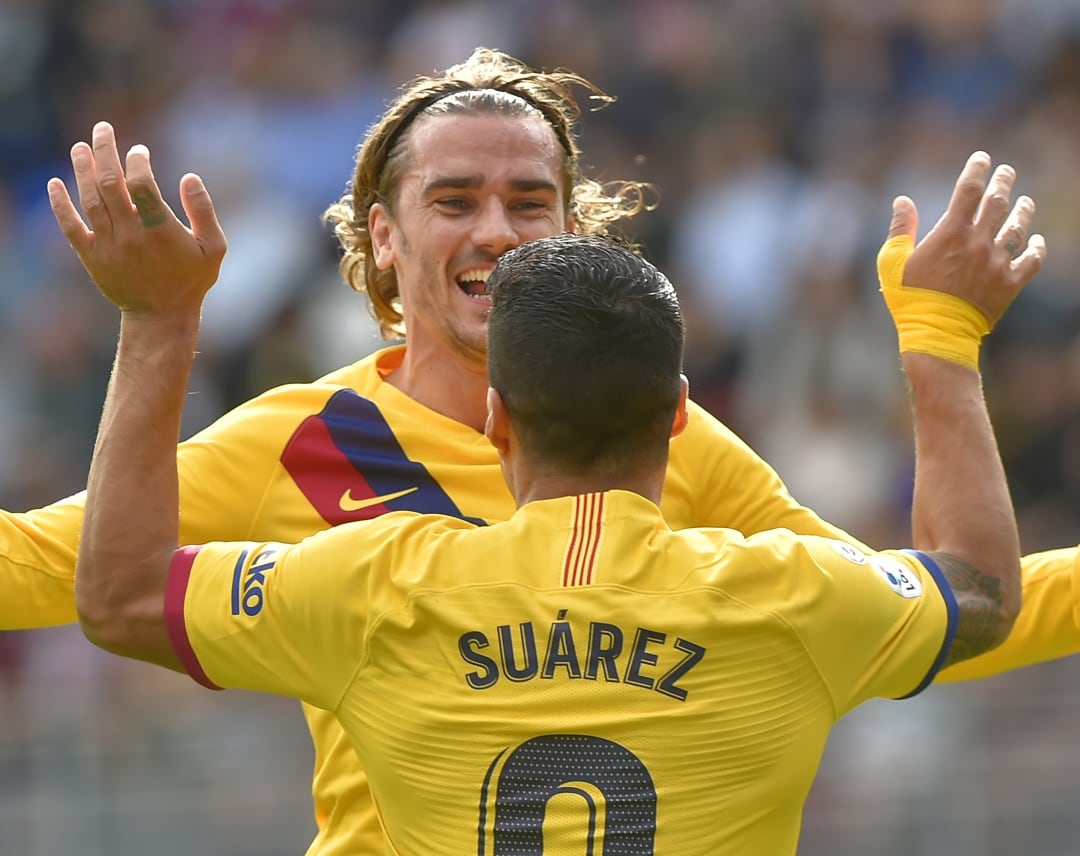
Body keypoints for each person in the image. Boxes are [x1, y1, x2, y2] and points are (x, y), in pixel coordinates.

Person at [10, 46, 1074, 853]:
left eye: (530, 201)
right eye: (454, 200)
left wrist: (152, 325)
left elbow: (906, 602)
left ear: (574, 228)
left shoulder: (677, 443)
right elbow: (940, 598)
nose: (496, 230)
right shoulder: (294, 442)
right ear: (382, 236)